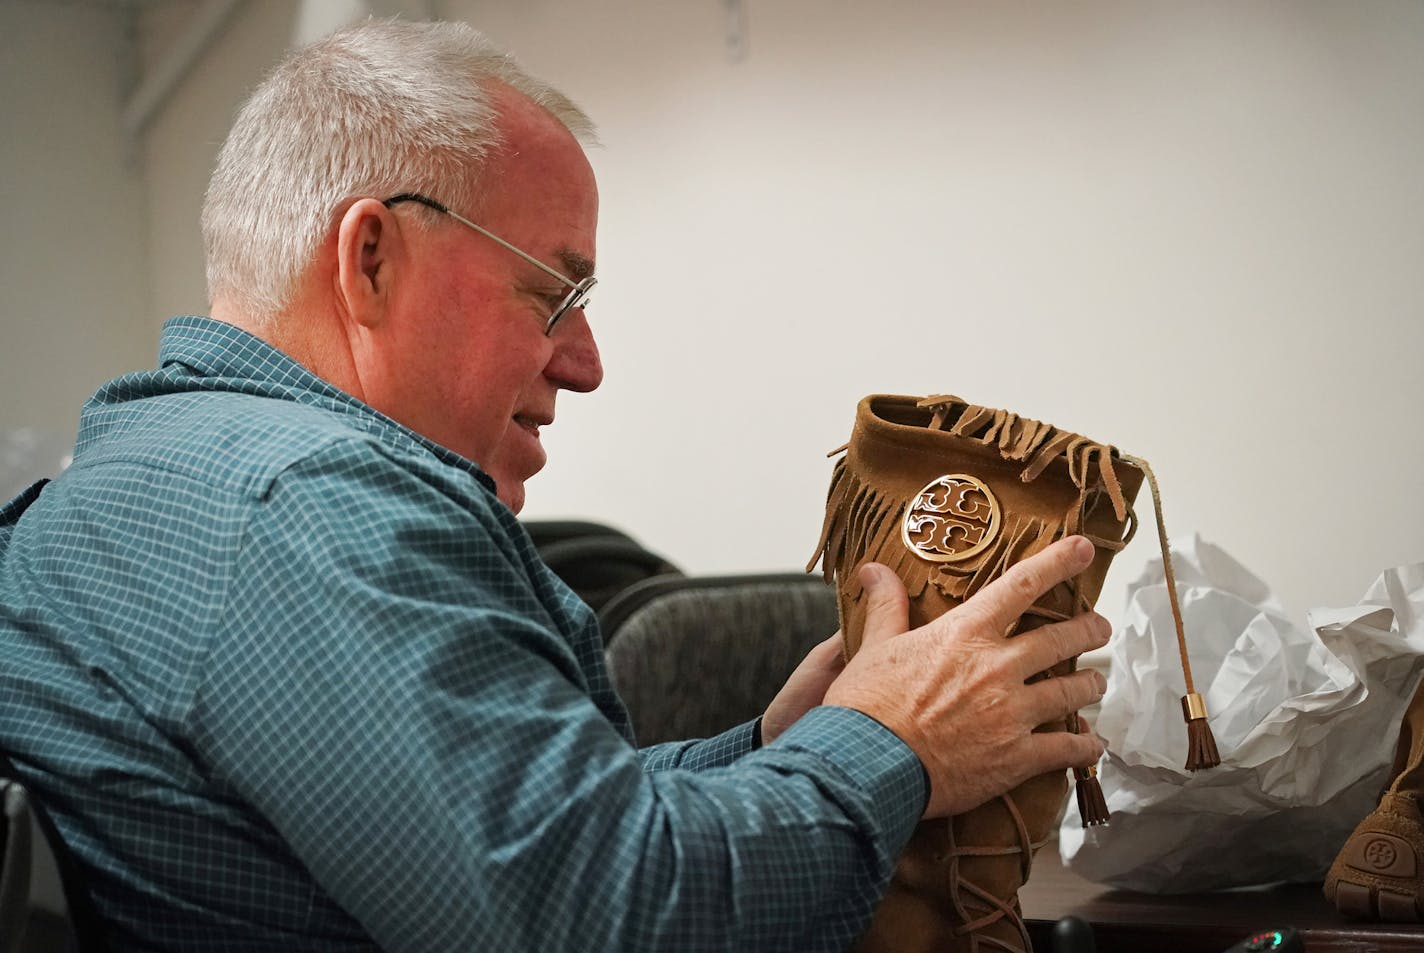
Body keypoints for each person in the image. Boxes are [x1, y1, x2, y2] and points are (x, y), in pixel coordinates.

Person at [0, 18, 1108, 952]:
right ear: (371, 258)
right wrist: (892, 743)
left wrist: (776, 751)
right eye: (553, 292)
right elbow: (602, 914)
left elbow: (526, 824)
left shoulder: (133, 479)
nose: (583, 360)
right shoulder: (310, 507)